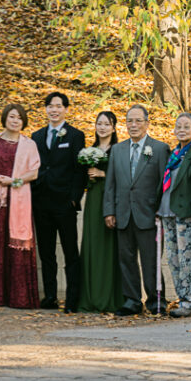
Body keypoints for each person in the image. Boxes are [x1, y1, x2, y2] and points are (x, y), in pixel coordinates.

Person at [103, 104, 170, 316]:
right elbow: (111, 183)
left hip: (149, 215)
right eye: (129, 121)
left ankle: (156, 301)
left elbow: (164, 184)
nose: (133, 125)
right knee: (127, 260)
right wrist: (109, 211)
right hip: (123, 214)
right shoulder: (117, 150)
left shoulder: (159, 149)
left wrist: (160, 212)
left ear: (147, 123)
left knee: (151, 261)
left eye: (138, 120)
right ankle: (132, 300)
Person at [31, 92, 86, 314]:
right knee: (46, 252)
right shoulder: (36, 136)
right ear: (45, 109)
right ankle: (50, 296)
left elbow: (79, 169)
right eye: (50, 106)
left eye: (58, 106)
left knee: (70, 251)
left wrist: (74, 198)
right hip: (41, 202)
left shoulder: (75, 136)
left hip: (65, 203)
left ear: (65, 109)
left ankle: (73, 298)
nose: (54, 110)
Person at [0, 103, 41, 309]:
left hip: (19, 200)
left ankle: (19, 297)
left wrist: (13, 182)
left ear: (23, 121)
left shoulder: (29, 144)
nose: (15, 120)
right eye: (11, 117)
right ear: (5, 118)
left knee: (16, 246)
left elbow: (33, 173)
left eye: (19, 118)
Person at [78, 111, 122, 314]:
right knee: (91, 244)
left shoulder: (119, 150)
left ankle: (109, 298)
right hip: (93, 199)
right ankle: (90, 297)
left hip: (110, 199)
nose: (102, 127)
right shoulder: (91, 150)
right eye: (99, 123)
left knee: (108, 246)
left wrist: (102, 173)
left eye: (107, 124)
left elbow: (123, 176)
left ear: (113, 128)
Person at [157, 113, 191, 318]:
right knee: (173, 259)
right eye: (178, 126)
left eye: (186, 126)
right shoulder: (173, 153)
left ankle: (190, 301)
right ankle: (182, 299)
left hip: (185, 213)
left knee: (186, 258)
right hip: (166, 211)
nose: (181, 130)